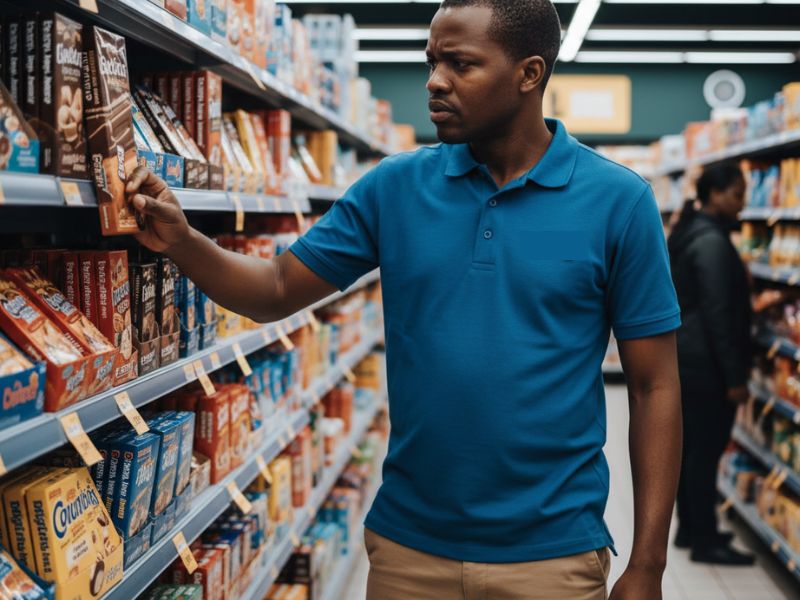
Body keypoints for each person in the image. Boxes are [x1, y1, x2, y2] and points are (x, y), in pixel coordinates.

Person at [126, 0, 682, 597]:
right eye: (432, 61)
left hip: (553, 553)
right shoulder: (396, 186)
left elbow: (655, 387)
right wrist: (182, 240)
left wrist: (647, 564)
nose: (435, 81)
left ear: (530, 74)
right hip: (408, 550)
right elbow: (277, 289)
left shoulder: (619, 202)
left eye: (461, 64)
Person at [668, 164, 756, 566]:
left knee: (691, 453)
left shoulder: (690, 231)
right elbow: (720, 314)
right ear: (716, 194)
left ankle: (690, 528)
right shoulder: (712, 243)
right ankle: (706, 540)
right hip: (707, 368)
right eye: (737, 193)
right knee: (705, 454)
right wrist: (735, 377)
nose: (742, 202)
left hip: (686, 358)